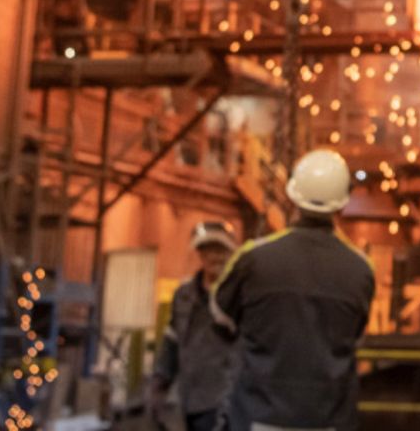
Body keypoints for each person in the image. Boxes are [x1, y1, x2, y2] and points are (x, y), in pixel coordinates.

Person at [212, 149, 374, 431]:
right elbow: (355, 335)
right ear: (341, 206)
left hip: (257, 416)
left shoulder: (253, 259)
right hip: (329, 419)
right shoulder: (360, 270)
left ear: (292, 197)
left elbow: (220, 319)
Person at [148, 221, 241, 431]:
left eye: (220, 250)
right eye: (208, 250)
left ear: (231, 253)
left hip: (226, 400)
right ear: (199, 253)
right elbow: (173, 339)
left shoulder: (240, 294)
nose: (214, 257)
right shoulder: (184, 295)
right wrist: (160, 380)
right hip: (190, 399)